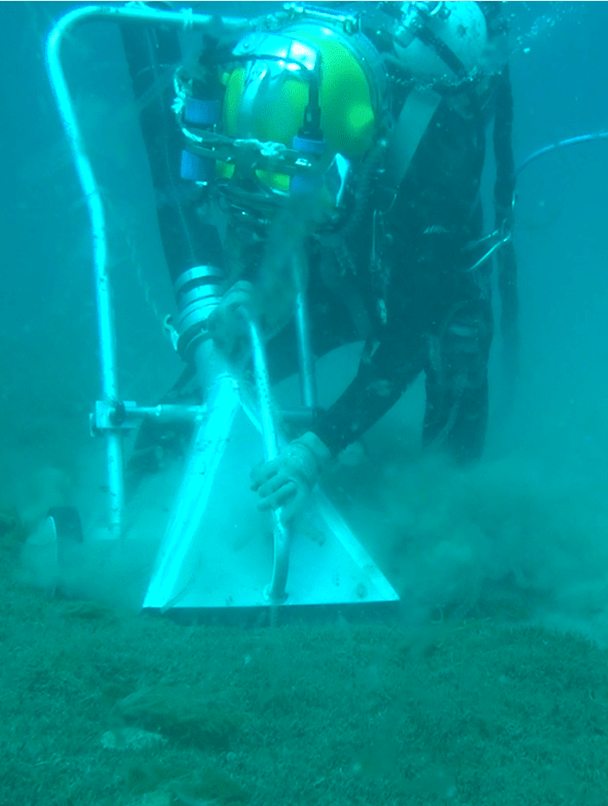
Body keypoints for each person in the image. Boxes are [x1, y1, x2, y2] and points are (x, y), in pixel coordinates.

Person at [122, 1, 517, 520]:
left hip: (424, 287)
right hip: (337, 269)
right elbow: (270, 203)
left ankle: (444, 529)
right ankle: (140, 499)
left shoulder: (436, 165)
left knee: (456, 343)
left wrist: (314, 448)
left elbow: (409, 330)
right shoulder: (303, 91)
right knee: (214, 373)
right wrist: (249, 285)